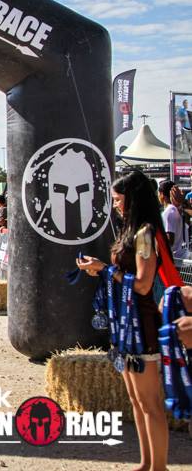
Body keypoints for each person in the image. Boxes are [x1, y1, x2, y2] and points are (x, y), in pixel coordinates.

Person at [76, 171, 172, 471]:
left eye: (118, 200)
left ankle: (159, 466)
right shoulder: (131, 233)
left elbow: (142, 284)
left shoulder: (144, 234)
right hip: (126, 324)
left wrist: (106, 269)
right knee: (136, 401)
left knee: (150, 403)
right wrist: (102, 270)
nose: (116, 205)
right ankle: (146, 463)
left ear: (132, 199)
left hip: (142, 324)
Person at [158, 180, 186, 261]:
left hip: (175, 259)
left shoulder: (169, 211)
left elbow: (170, 240)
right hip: (179, 257)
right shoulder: (174, 209)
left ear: (162, 194)